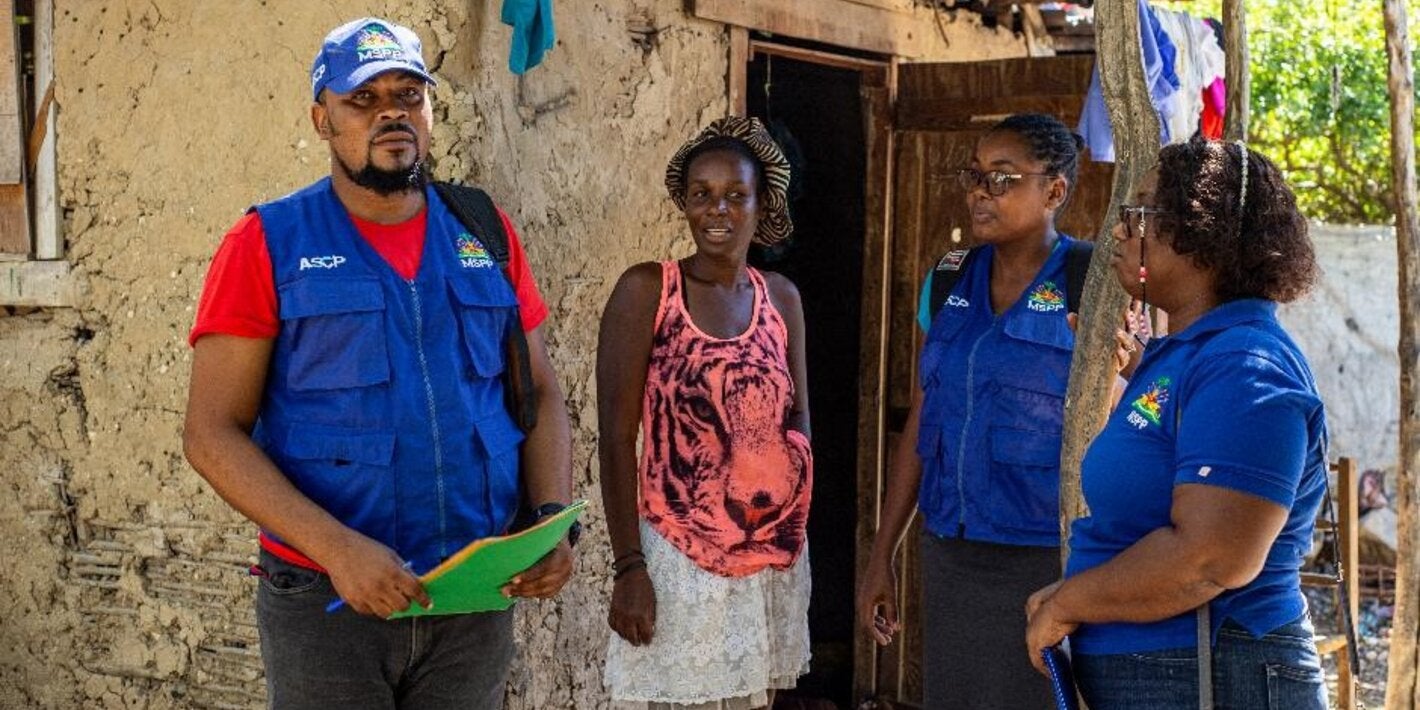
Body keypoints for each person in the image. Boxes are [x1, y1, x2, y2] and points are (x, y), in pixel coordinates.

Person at [182, 17, 575, 710]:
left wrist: (550, 523)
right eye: (362, 99)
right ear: (321, 119)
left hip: (470, 601)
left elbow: (537, 392)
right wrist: (337, 549)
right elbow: (211, 433)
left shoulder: (486, 231)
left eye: (408, 94)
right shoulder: (267, 242)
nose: (391, 111)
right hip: (327, 606)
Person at [1024, 139, 1328, 709]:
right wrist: (1077, 593)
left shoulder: (1245, 364)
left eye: (1138, 214)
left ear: (1201, 237)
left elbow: (1211, 557)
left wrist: (1072, 602)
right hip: (1171, 674)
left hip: (1215, 675)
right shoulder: (1182, 355)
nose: (1118, 230)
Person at [856, 113, 1089, 709]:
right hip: (952, 552)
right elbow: (925, 419)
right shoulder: (948, 277)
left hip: (1048, 560)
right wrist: (883, 554)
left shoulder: (1089, 282)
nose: (980, 192)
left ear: (1054, 191)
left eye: (1004, 178)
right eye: (976, 176)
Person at [597, 116, 812, 709]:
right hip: (675, 558)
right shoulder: (648, 291)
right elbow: (616, 439)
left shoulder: (781, 298)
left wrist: (787, 539)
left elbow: (798, 423)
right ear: (685, 205)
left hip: (764, 553)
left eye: (734, 195)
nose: (717, 210)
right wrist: (628, 568)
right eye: (701, 195)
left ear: (761, 201)